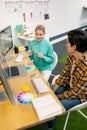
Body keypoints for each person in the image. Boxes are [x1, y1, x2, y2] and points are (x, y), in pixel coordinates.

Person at [47, 29, 87, 130]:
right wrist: (52, 91)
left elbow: (76, 92)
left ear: (74, 47)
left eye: (67, 43)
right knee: (48, 93)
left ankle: (50, 127)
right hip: (71, 85)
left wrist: (58, 97)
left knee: (54, 106)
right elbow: (64, 75)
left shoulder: (86, 68)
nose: (65, 45)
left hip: (81, 95)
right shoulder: (71, 57)